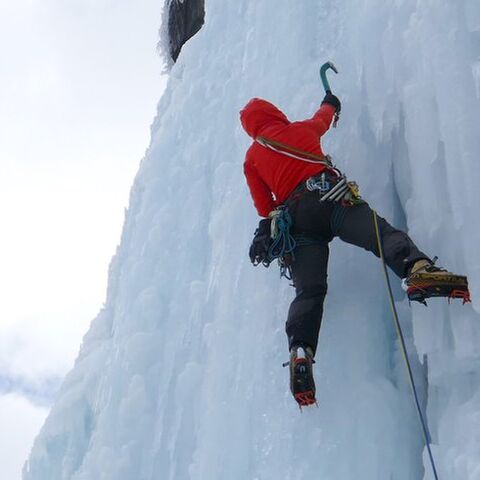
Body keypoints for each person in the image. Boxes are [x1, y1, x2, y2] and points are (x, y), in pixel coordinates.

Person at [240, 94, 469, 407]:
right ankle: (417, 271)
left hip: (298, 224)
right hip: (332, 198)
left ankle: (301, 351)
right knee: (381, 235)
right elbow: (322, 119)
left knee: (309, 291)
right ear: (275, 113)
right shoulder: (300, 131)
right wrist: (331, 103)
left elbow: (266, 208)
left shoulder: (252, 158)